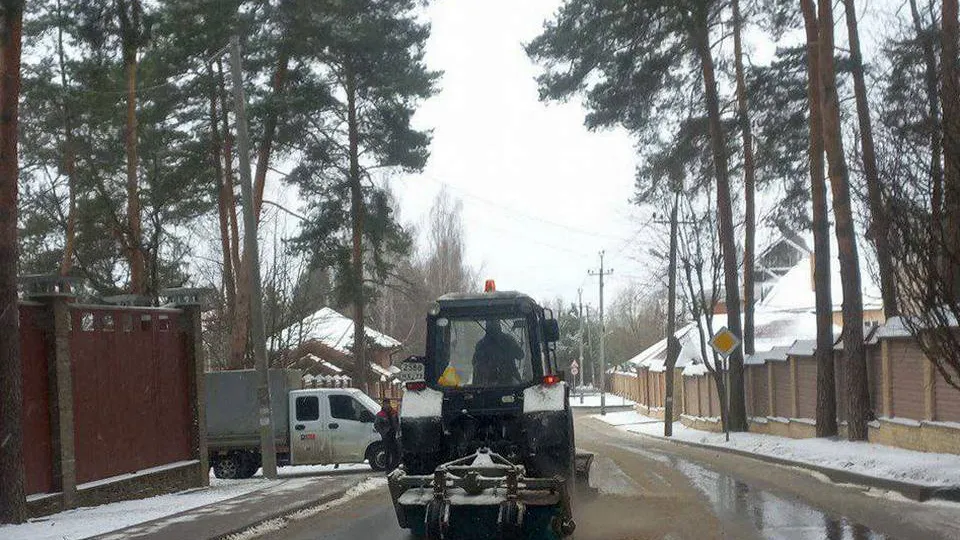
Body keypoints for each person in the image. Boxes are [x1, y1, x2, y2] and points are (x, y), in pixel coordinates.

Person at [472, 318, 525, 386]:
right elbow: (476, 364)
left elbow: (520, 355)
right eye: (491, 323)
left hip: (508, 381)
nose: (493, 325)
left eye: (494, 322)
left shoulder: (481, 344)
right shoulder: (508, 340)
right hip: (490, 384)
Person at [374, 399, 399, 471]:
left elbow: (397, 423)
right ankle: (388, 468)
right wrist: (383, 433)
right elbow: (376, 425)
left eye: (387, 404)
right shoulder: (380, 414)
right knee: (387, 452)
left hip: (394, 435)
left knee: (395, 452)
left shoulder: (394, 412)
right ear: (383, 405)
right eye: (385, 404)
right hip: (386, 436)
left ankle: (395, 467)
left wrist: (397, 430)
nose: (386, 405)